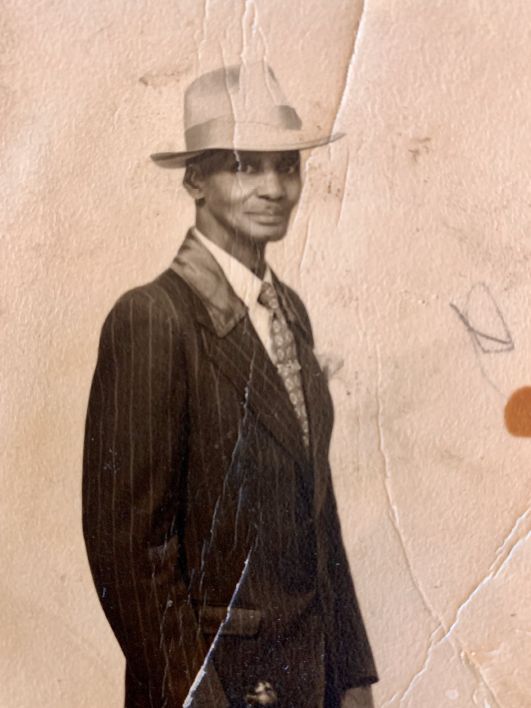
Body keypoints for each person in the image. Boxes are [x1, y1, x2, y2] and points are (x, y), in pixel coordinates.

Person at [82, 61, 378, 708]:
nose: (274, 188)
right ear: (195, 179)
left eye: (287, 166)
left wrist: (352, 677)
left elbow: (315, 514)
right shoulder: (153, 319)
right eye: (245, 166)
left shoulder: (288, 311)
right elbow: (130, 557)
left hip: (315, 683)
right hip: (223, 690)